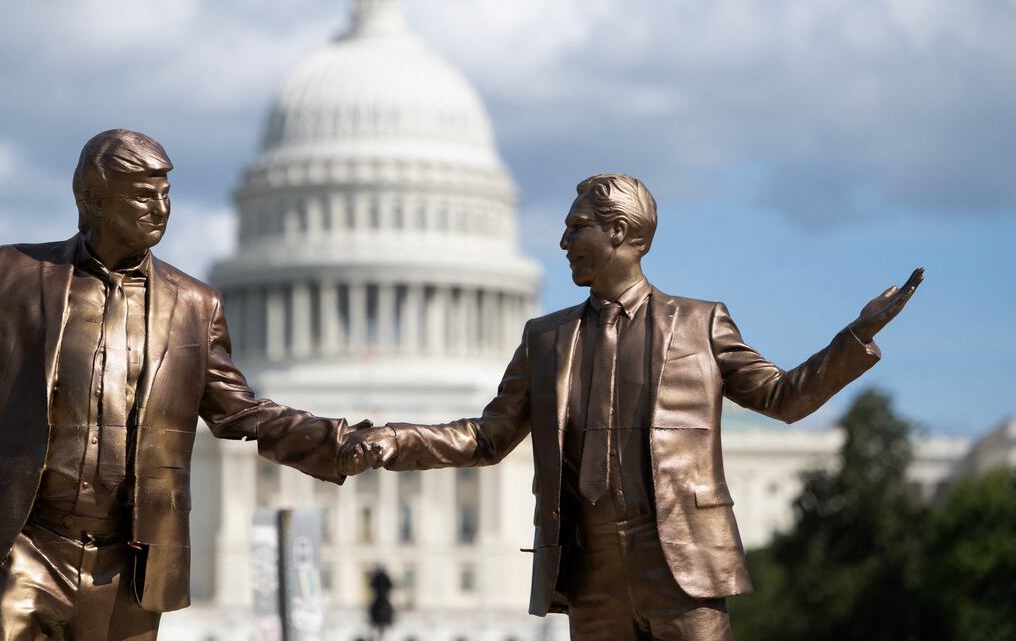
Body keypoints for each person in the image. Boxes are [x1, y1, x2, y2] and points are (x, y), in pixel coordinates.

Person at [0, 129, 371, 640]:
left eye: (167, 195)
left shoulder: (193, 306)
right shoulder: (17, 276)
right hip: (28, 548)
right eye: (143, 196)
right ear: (92, 201)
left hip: (129, 566)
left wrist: (381, 443)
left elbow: (253, 418)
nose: (161, 210)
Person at [343, 173, 923, 641]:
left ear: (619, 232)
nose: (563, 243)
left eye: (577, 228)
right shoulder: (545, 338)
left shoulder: (701, 323)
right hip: (589, 563)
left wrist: (855, 338)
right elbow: (488, 437)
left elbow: (783, 397)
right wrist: (390, 440)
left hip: (680, 558)